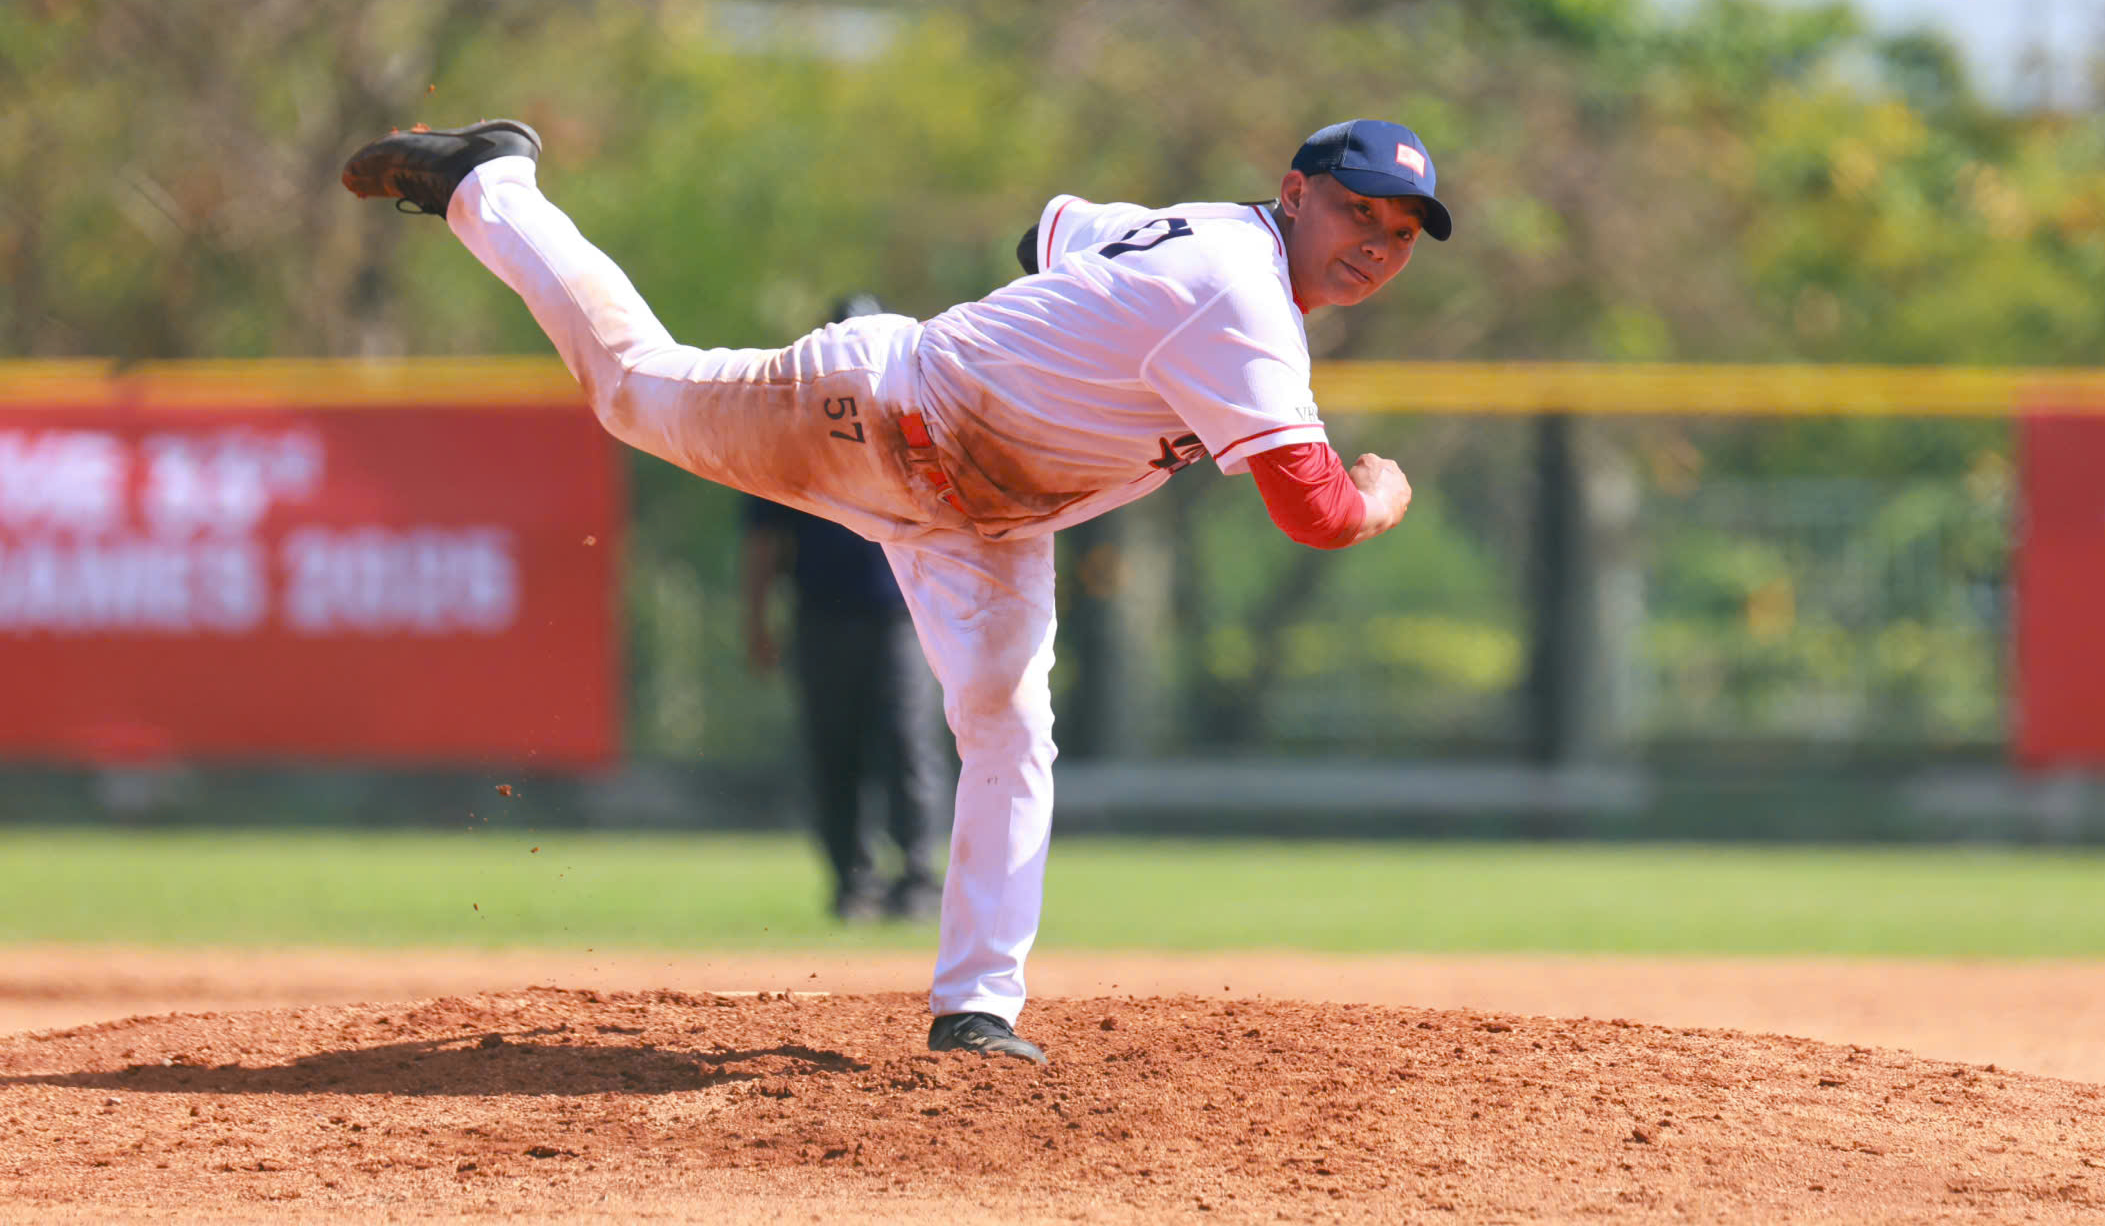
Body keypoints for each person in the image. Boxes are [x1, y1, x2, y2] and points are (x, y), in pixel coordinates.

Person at [340, 113, 1448, 1064]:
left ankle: (976, 1008)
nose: (1377, 247)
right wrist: (1383, 493)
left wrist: (1076, 338)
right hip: (867, 415)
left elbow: (1049, 229)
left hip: (986, 520)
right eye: (1360, 213)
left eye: (1400, 235)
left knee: (1009, 726)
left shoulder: (1215, 233)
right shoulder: (1242, 302)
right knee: (632, 389)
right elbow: (1317, 513)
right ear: (1296, 193)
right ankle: (490, 178)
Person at [740, 293, 944, 924]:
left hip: (899, 619)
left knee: (909, 745)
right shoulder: (793, 432)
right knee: (835, 752)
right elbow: (764, 541)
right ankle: (852, 881)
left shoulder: (913, 417)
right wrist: (757, 620)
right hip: (822, 617)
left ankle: (917, 876)